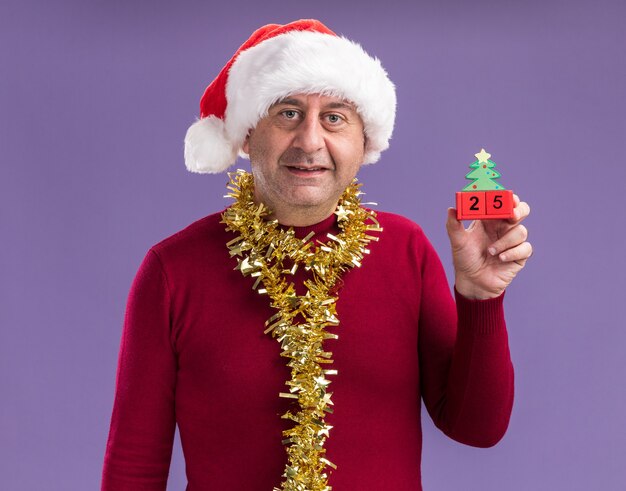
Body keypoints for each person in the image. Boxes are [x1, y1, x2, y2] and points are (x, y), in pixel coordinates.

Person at [101, 19, 532, 491]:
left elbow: (478, 428)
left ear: (364, 141)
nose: (309, 142)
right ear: (246, 135)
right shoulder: (173, 271)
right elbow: (134, 466)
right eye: (287, 113)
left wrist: (481, 296)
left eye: (334, 117)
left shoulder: (405, 250)